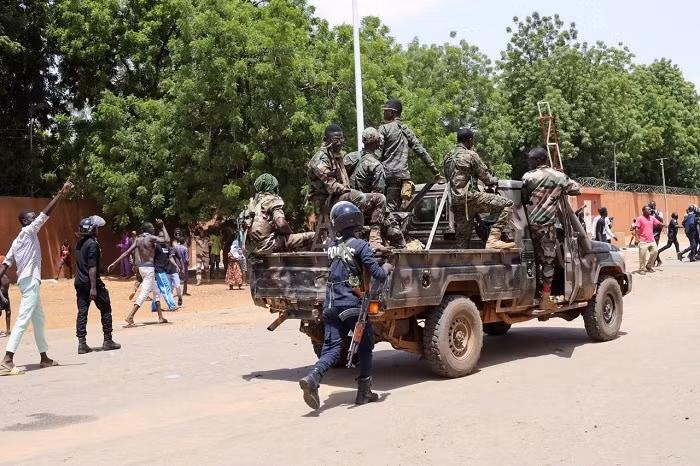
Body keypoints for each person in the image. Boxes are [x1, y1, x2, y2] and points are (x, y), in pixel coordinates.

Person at [298, 202, 389, 410]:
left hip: (330, 305)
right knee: (366, 347)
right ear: (356, 220)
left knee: (331, 348)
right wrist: (387, 267)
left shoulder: (331, 247)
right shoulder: (361, 246)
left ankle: (313, 377)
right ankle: (364, 392)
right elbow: (378, 274)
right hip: (353, 306)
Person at [0, 180, 73, 374]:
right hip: (31, 281)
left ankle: (44, 358)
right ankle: (7, 359)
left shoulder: (17, 241)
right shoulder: (27, 231)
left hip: (27, 282)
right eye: (32, 218)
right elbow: (45, 215)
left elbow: (5, 264)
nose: (35, 219)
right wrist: (60, 193)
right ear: (25, 221)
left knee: (38, 319)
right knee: (23, 319)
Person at [521, 147, 581, 310]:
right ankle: (546, 298)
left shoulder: (527, 177)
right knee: (548, 261)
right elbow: (576, 189)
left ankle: (533, 293)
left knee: (531, 260)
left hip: (529, 226)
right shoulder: (558, 177)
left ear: (539, 160)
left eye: (531, 160)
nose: (529, 163)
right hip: (547, 226)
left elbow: (524, 197)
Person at [308, 124, 386, 247]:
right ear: (326, 140)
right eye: (336, 140)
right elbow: (333, 187)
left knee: (379, 198)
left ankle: (375, 240)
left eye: (341, 139)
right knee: (358, 196)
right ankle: (354, 237)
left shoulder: (337, 156)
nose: (339, 143)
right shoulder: (319, 159)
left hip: (338, 198)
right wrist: (350, 191)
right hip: (325, 201)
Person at [444, 128, 515, 249]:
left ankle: (462, 264)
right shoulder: (471, 155)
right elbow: (486, 179)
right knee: (507, 204)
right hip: (471, 198)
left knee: (462, 242)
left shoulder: (448, 157)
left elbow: (449, 179)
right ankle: (493, 238)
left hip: (457, 203)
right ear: (470, 141)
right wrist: (495, 180)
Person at [378, 99, 443, 213]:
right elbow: (421, 151)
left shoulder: (384, 129)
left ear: (392, 112)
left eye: (386, 111)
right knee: (397, 209)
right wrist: (435, 172)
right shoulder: (406, 130)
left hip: (387, 176)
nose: (384, 113)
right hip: (403, 178)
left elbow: (377, 153)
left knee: (388, 212)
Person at [345, 127, 405, 248]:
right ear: (377, 143)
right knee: (396, 233)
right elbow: (378, 193)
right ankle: (378, 241)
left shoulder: (349, 158)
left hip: (346, 203)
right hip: (366, 207)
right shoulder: (375, 165)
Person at [108, 220, 170, 327]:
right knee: (144, 293)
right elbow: (167, 240)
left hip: (142, 268)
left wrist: (114, 263)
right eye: (152, 228)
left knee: (156, 291)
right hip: (149, 268)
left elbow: (127, 252)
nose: (153, 229)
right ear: (148, 229)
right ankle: (130, 316)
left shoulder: (138, 239)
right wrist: (163, 226)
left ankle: (160, 317)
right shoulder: (150, 238)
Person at [74, 216, 121, 354]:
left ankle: (82, 344)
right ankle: (108, 340)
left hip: (79, 282)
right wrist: (94, 287)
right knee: (106, 308)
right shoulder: (93, 244)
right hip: (91, 282)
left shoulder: (79, 244)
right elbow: (92, 266)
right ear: (93, 230)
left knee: (82, 312)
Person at [244, 173, 315, 255]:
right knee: (314, 236)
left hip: (252, 249)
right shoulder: (272, 199)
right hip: (268, 245)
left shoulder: (252, 203)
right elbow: (281, 224)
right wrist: (290, 233)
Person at [152, 229, 178, 312]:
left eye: (163, 236)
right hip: (158, 270)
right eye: (160, 236)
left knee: (158, 289)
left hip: (164, 270)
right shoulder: (156, 246)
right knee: (166, 287)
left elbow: (170, 257)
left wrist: (176, 265)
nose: (162, 238)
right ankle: (172, 305)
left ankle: (154, 307)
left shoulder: (166, 247)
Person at [635, 205, 664, 274]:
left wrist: (665, 225)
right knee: (642, 256)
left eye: (650, 210)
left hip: (651, 240)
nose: (650, 211)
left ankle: (648, 266)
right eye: (648, 210)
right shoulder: (639, 219)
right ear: (644, 211)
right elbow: (637, 229)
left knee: (655, 252)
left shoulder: (652, 218)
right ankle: (641, 269)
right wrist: (636, 239)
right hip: (643, 240)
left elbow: (659, 223)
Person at [172, 229, 190, 301]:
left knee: (177, 278)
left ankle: (180, 291)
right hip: (181, 264)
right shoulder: (184, 248)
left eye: (179, 234)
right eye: (177, 234)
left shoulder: (176, 246)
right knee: (184, 277)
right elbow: (186, 258)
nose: (178, 235)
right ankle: (183, 291)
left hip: (177, 263)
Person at [0, 256, 10, 337]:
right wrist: (2, 298)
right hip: (1, 294)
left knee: (8, 311)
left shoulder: (4, 274)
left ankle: (8, 330)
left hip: (6, 293)